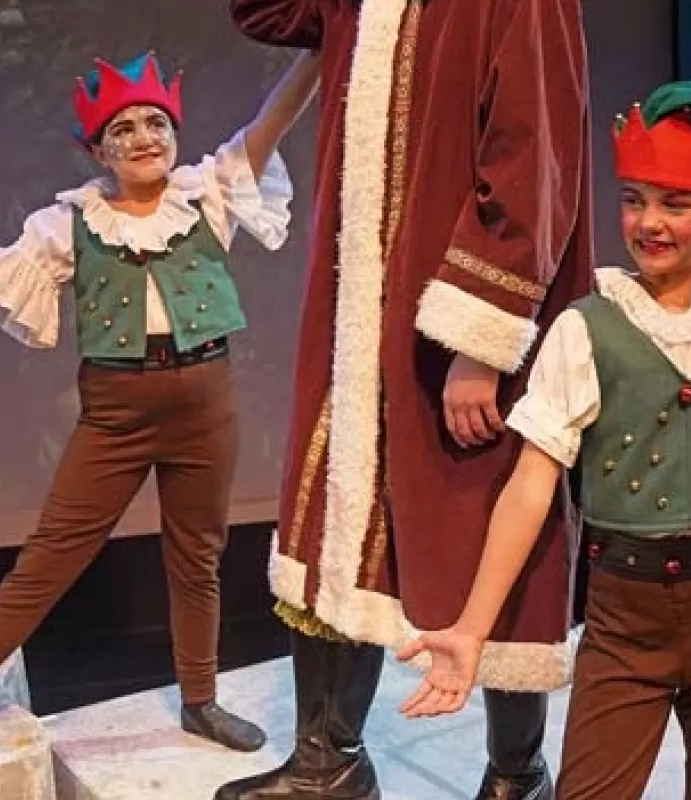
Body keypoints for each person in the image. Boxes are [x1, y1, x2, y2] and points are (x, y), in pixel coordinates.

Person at [397, 1, 691, 798]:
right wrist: (471, 628)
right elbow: (531, 486)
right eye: (635, 199)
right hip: (629, 611)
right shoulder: (584, 328)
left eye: (676, 203)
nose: (648, 222)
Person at [0, 48, 320, 752]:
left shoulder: (206, 193)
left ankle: (201, 701)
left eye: (156, 123)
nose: (144, 137)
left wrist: (321, 48)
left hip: (205, 401)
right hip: (118, 409)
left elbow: (274, 118)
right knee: (53, 553)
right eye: (123, 129)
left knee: (197, 555)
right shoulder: (69, 223)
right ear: (98, 151)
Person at [219, 1, 594, 798]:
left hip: (456, 319)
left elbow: (533, 158)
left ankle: (517, 774)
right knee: (332, 519)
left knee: (483, 516)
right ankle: (329, 763)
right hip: (355, 320)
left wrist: (479, 344)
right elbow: (268, 12)